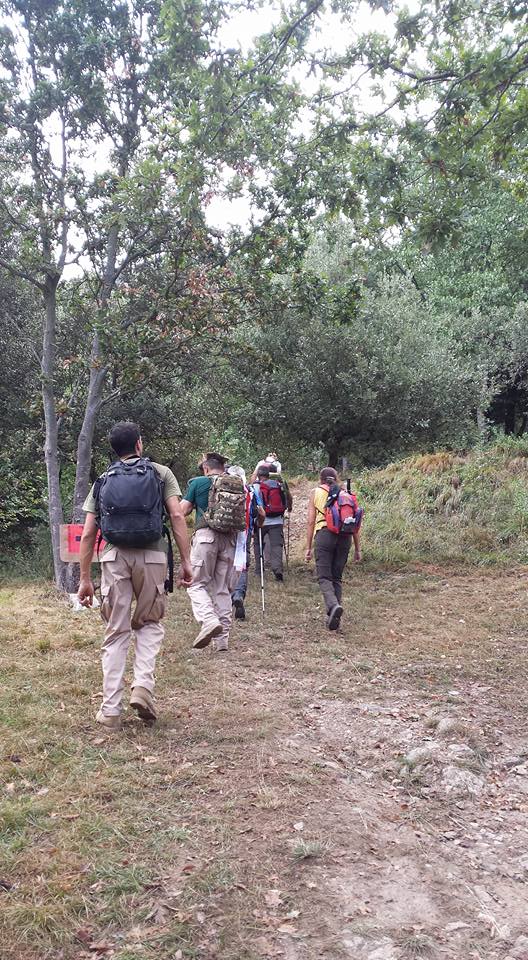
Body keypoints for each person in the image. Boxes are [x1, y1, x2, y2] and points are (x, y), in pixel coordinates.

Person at [77, 421, 193, 729]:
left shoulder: (103, 479)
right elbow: (178, 515)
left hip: (114, 557)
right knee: (149, 623)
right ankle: (142, 687)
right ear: (139, 444)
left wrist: (85, 578)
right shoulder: (160, 473)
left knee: (116, 630)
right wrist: (186, 561)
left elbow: (89, 533)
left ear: (115, 450)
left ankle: (111, 709)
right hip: (153, 556)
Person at [180, 452, 244, 652]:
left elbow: (182, 511)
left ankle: (208, 620)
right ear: (223, 468)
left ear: (205, 468)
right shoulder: (236, 483)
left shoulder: (198, 483)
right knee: (223, 589)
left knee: (195, 585)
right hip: (230, 538)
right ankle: (222, 640)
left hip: (205, 537)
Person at [305, 467, 362, 630]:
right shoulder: (346, 494)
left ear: (320, 479)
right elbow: (355, 524)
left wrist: (308, 547)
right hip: (345, 536)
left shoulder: (316, 492)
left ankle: (333, 605)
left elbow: (310, 521)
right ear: (336, 478)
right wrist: (358, 549)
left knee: (324, 577)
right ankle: (333, 618)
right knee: (336, 577)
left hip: (324, 535)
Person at [228, 465, 265, 620]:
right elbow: (261, 513)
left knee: (226, 565)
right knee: (242, 565)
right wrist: (260, 522)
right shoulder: (251, 491)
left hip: (224, 533)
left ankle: (228, 597)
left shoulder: (222, 488)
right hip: (244, 533)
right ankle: (239, 595)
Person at [252, 464, 292, 582]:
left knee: (258, 544)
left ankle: (259, 570)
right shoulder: (279, 485)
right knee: (276, 545)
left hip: (260, 521)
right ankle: (277, 569)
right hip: (277, 520)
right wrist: (288, 509)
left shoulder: (255, 486)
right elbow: (287, 499)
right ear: (268, 475)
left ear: (259, 476)